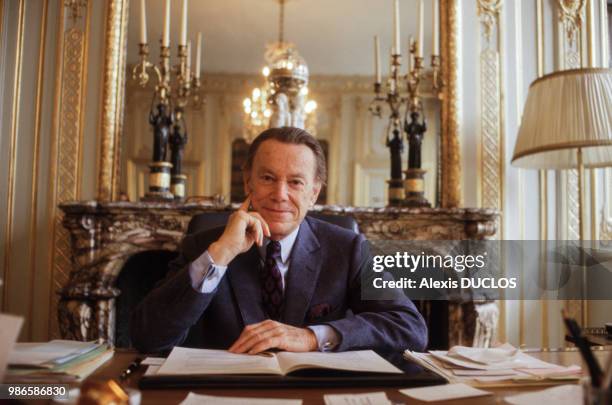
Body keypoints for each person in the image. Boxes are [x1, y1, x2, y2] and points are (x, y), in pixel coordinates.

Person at [130, 127, 427, 354]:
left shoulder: (348, 249)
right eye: (268, 178)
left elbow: (410, 327)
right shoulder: (205, 246)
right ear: (248, 181)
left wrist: (312, 336)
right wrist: (220, 255)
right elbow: (148, 338)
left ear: (313, 192)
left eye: (295, 182)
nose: (280, 194)